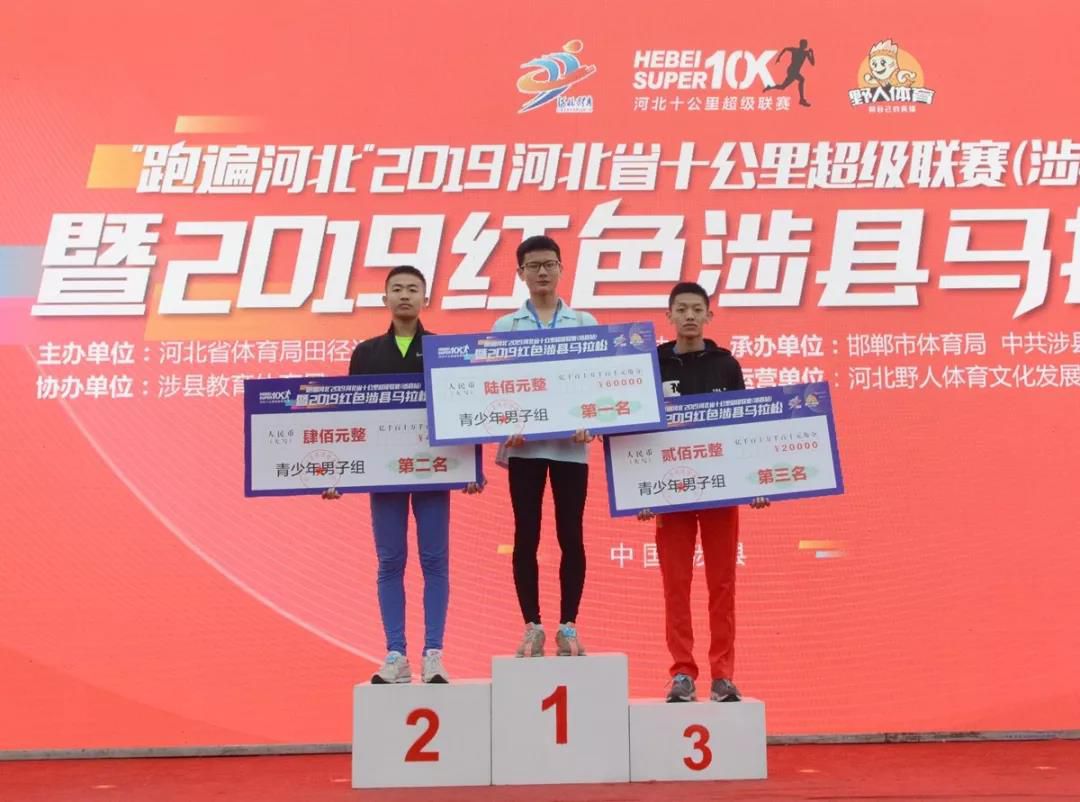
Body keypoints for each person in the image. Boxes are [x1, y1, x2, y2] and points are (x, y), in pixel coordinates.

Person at [323, 265, 483, 685]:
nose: (405, 295)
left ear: (425, 299)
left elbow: (463, 412)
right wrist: (338, 471)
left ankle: (434, 654)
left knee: (435, 561)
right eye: (397, 289)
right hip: (385, 476)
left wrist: (472, 466)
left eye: (413, 289)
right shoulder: (366, 353)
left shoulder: (442, 350)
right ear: (385, 299)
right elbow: (351, 418)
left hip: (433, 472)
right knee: (390, 560)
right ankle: (396, 654)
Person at [638, 281, 769, 702]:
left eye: (697, 309)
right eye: (682, 309)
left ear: (709, 316)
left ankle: (722, 675)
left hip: (721, 492)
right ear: (669, 316)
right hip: (671, 492)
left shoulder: (726, 365)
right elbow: (636, 430)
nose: (690, 316)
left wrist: (756, 481)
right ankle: (682, 672)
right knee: (675, 585)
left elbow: (746, 428)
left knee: (722, 584)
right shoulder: (653, 364)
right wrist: (639, 490)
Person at [493, 235, 597, 658]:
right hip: (525, 448)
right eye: (533, 265)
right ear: (520, 273)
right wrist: (504, 424)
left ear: (561, 268)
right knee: (526, 535)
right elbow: (493, 387)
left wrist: (591, 421)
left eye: (549, 264)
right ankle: (532, 626)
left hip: (571, 447)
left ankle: (568, 625)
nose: (542, 272)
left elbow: (599, 381)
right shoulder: (505, 327)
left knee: (571, 533)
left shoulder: (584, 322)